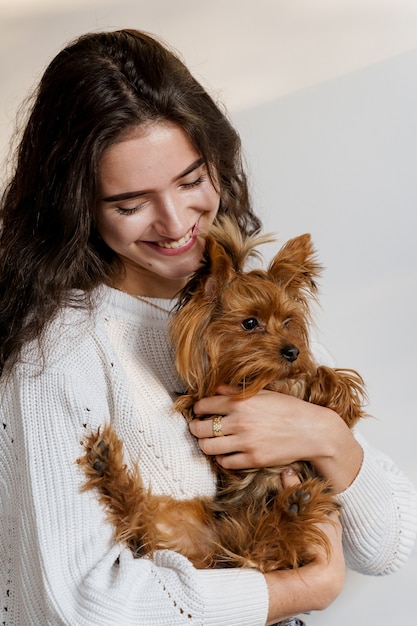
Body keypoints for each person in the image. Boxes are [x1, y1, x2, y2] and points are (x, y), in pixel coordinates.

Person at [0, 29, 415, 626]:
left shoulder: (257, 315)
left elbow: (391, 543)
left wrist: (324, 434)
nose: (176, 224)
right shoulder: (58, 353)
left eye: (192, 181)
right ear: (79, 206)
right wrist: (297, 592)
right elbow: (84, 605)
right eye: (130, 203)